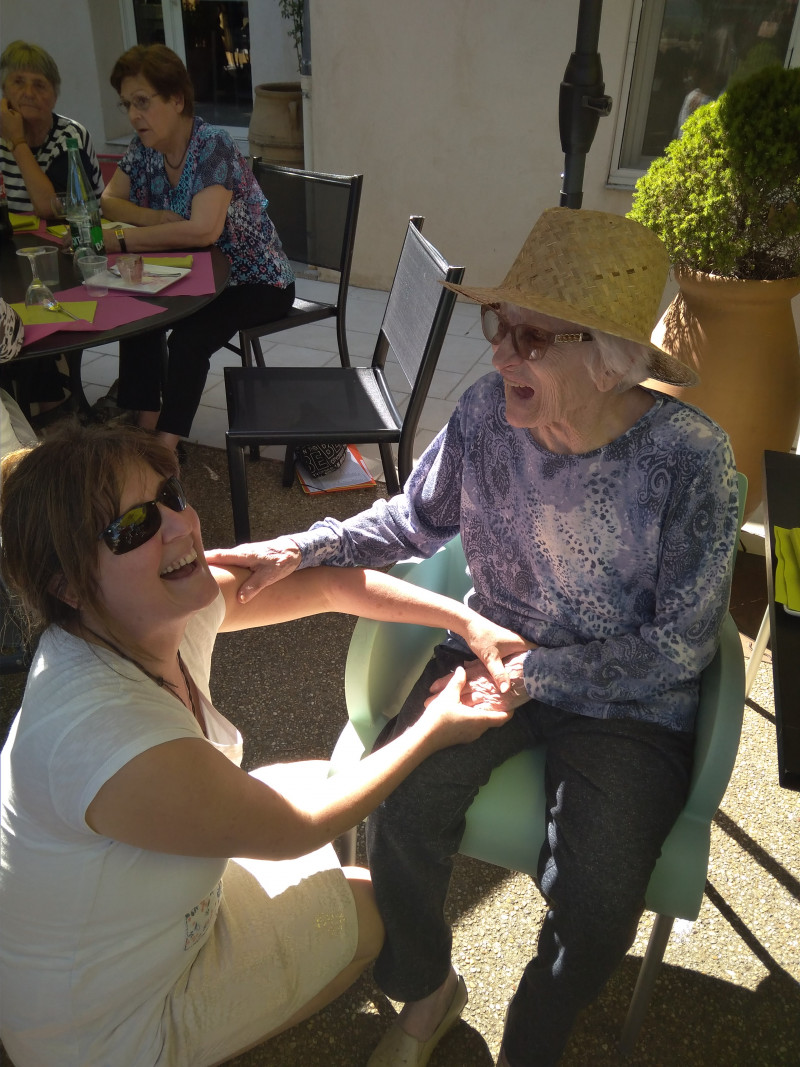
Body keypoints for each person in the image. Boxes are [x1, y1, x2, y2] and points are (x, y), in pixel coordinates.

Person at [207, 208, 740, 1066]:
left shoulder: (690, 461)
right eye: (499, 325)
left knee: (599, 897)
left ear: (608, 357)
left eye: (530, 337)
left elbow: (678, 648)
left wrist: (539, 675)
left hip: (624, 702)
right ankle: (427, 991)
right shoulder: (489, 416)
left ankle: (536, 1034)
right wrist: (296, 545)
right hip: (493, 645)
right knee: (404, 807)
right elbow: (410, 522)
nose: (499, 356)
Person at [0, 422, 527, 1067]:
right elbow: (298, 831)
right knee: (370, 910)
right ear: (69, 587)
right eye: (131, 527)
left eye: (170, 495)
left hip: (135, 925)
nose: (179, 526)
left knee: (336, 794)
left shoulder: (139, 614)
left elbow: (331, 585)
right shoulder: (108, 735)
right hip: (106, 1026)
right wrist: (434, 726)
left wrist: (466, 620)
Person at [100, 44, 295, 453]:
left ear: (176, 99)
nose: (135, 115)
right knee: (137, 315)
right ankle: (143, 426)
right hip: (195, 274)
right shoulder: (144, 149)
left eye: (143, 102)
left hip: (256, 280)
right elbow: (109, 201)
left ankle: (163, 453)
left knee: (187, 340)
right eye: (127, 105)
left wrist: (123, 239)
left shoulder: (213, 144)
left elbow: (204, 230)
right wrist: (154, 219)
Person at [0, 40, 104, 424]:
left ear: (55, 92)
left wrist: (17, 142)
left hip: (63, 259)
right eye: (18, 82)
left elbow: (55, 208)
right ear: (4, 91)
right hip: (9, 259)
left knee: (36, 314)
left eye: (40, 84)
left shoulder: (70, 137)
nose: (28, 92)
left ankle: (51, 409)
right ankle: (21, 416)